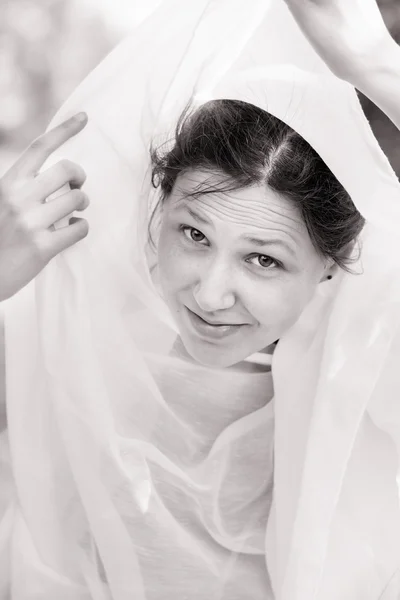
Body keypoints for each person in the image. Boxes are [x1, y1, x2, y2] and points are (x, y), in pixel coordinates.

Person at [1, 0, 400, 598]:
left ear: (331, 269)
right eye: (194, 234)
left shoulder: (369, 383)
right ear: (157, 209)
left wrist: (381, 70)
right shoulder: (60, 343)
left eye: (263, 259)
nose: (210, 294)